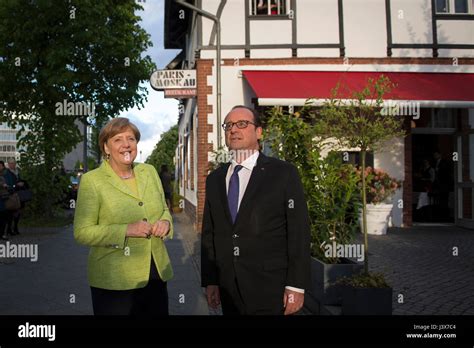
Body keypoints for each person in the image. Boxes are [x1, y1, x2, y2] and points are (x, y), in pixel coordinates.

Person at [201, 106, 311, 315]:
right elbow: (209, 233)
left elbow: (299, 232)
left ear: (259, 132)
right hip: (228, 288)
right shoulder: (215, 179)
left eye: (242, 124)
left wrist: (296, 285)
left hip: (270, 287)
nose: (233, 130)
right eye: (229, 125)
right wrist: (211, 281)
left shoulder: (283, 173)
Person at [74, 117, 174, 316]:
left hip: (155, 274)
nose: (126, 144)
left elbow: (164, 209)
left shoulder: (149, 171)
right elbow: (82, 232)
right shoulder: (92, 181)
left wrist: (166, 222)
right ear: (106, 147)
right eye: (118, 139)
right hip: (113, 281)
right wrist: (126, 230)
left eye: (131, 139)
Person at [0, 160, 17, 239]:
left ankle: (4, 233)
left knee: (4, 215)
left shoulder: (6, 174)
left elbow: (10, 185)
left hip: (4, 198)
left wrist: (7, 187)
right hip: (3, 197)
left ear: (3, 166)